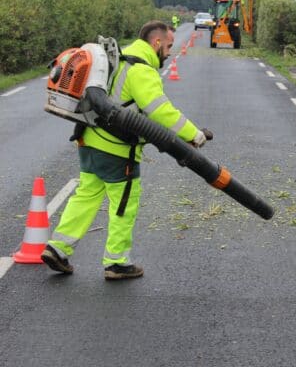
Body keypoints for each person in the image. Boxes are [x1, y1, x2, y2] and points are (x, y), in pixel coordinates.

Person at [41, 20, 211, 280]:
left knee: (85, 196)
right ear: (156, 43)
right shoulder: (141, 70)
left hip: (89, 141)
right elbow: (161, 111)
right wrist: (194, 135)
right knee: (123, 205)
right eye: (168, 46)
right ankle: (117, 262)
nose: (169, 52)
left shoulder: (118, 58)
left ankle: (57, 248)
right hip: (118, 151)